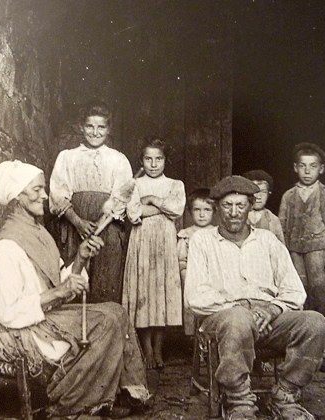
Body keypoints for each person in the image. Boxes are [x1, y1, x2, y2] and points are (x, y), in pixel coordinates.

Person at [0, 160, 149, 419]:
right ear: (17, 198)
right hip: (11, 331)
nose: (44, 196)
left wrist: (81, 257)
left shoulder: (37, 233)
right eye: (36, 190)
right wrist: (59, 292)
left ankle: (127, 392)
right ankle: (69, 404)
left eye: (43, 189)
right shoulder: (6, 247)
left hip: (37, 317)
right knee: (106, 323)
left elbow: (57, 281)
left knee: (116, 311)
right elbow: (9, 313)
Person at [184, 175, 325, 420]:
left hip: (268, 319)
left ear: (251, 206)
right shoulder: (203, 241)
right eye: (227, 206)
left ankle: (285, 394)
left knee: (315, 323)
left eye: (240, 205)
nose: (234, 212)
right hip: (223, 319)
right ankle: (238, 401)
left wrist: (272, 309)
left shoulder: (267, 240)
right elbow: (195, 296)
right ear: (217, 208)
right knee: (238, 319)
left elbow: (295, 291)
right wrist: (240, 307)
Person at [49, 99, 133, 304]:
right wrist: (78, 222)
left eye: (101, 127)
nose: (95, 132)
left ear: (108, 129)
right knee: (74, 279)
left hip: (107, 228)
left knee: (105, 281)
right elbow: (58, 195)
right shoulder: (67, 157)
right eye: (89, 126)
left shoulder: (118, 159)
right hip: (74, 226)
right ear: (81, 126)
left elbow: (121, 198)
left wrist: (100, 225)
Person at [278, 143, 325, 373]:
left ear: (321, 169)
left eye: (313, 166)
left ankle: (323, 351)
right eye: (303, 166)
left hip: (320, 252)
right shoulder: (288, 196)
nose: (307, 171)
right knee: (297, 297)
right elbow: (281, 228)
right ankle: (298, 353)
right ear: (295, 168)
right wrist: (283, 256)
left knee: (322, 297)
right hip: (294, 252)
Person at [122, 137, 186, 369]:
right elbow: (133, 213)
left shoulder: (175, 185)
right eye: (148, 159)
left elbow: (176, 209)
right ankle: (146, 349)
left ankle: (158, 348)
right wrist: (161, 206)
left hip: (165, 243)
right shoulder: (135, 184)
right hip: (142, 242)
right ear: (141, 160)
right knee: (144, 291)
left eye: (158, 159)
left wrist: (150, 200)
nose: (153, 164)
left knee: (160, 293)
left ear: (165, 161)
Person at [177, 188, 215, 336]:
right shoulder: (186, 235)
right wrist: (186, 276)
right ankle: (192, 339)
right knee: (192, 307)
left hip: (212, 278)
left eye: (207, 210)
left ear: (214, 211)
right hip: (191, 278)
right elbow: (181, 260)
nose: (202, 214)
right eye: (197, 210)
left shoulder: (216, 233)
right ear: (190, 211)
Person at [242, 169, 285, 244]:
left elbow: (281, 246)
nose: (258, 196)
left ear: (269, 193)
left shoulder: (273, 220)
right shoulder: (239, 215)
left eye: (263, 192)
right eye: (254, 192)